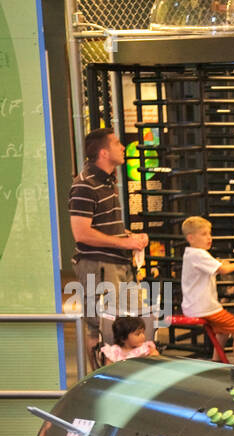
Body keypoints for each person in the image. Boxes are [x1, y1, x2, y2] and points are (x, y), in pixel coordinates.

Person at [69, 128, 149, 354]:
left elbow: (102, 226)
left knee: (131, 322)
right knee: (102, 327)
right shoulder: (84, 184)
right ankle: (100, 380)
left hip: (118, 266)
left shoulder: (106, 182)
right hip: (98, 265)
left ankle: (124, 376)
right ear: (103, 152)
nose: (123, 147)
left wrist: (130, 236)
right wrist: (125, 244)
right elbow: (82, 233)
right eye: (116, 143)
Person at [181, 216, 234, 365]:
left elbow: (215, 266)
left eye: (210, 233)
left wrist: (223, 264)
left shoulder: (191, 253)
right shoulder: (200, 254)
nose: (209, 238)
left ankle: (216, 361)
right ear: (191, 238)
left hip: (193, 306)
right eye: (204, 234)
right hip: (204, 307)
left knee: (223, 330)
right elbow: (223, 269)